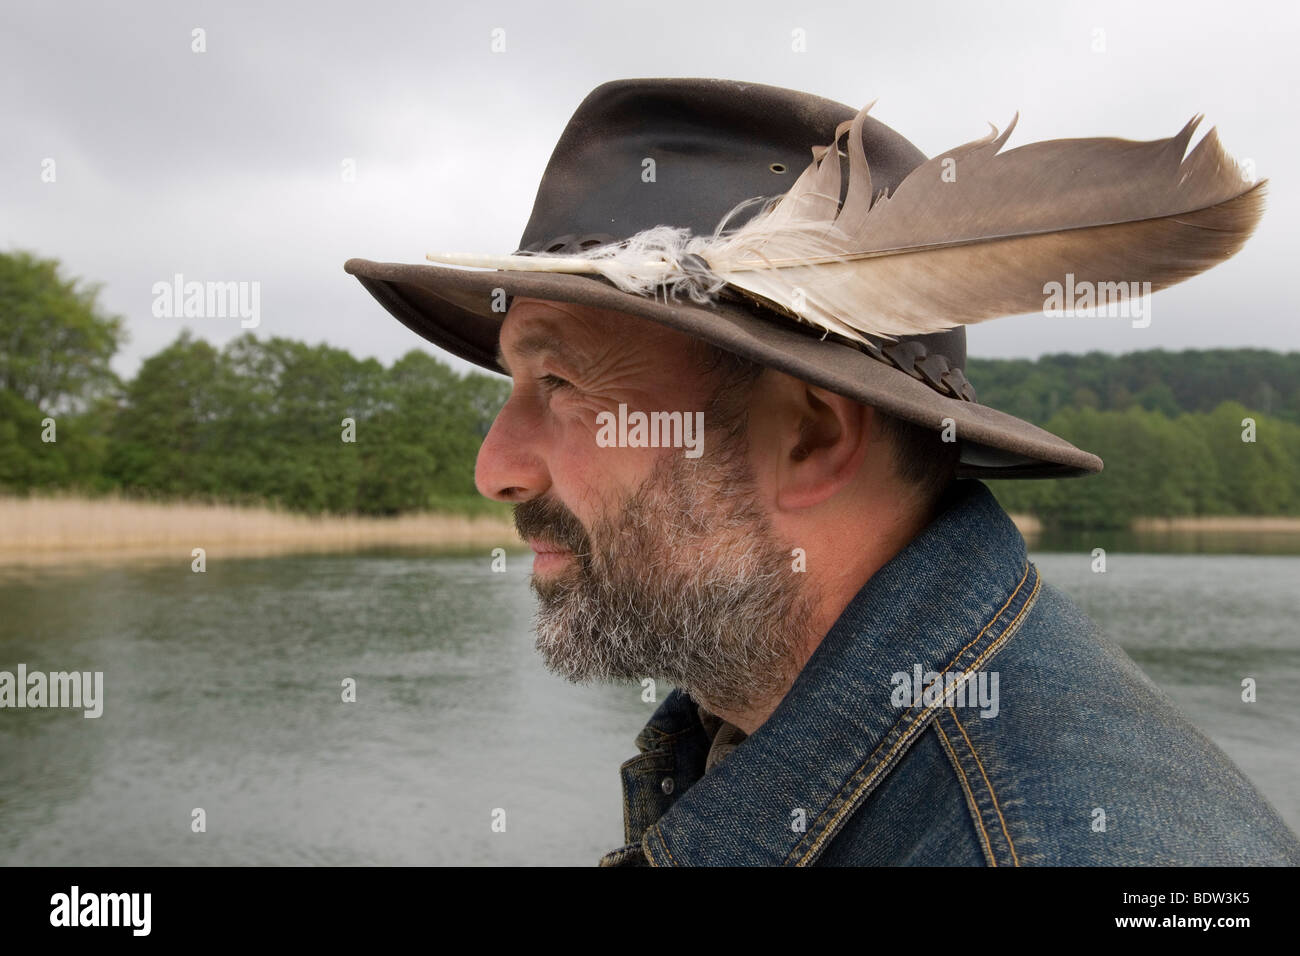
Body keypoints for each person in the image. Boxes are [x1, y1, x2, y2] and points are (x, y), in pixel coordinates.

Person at [346, 77, 1299, 865]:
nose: (494, 469)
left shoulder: (1070, 850)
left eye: (560, 381)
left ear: (808, 437)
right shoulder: (748, 712)